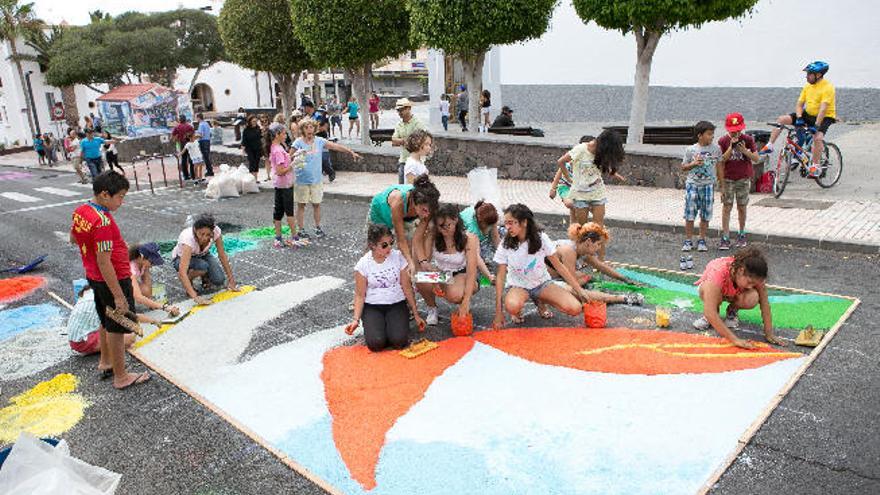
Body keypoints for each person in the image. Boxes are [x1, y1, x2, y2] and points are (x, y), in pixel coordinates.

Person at [69, 171, 150, 389]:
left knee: (106, 320)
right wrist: (118, 296)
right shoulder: (102, 222)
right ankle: (121, 376)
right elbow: (104, 261)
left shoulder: (82, 211)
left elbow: (73, 236)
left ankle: (106, 362)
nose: (121, 202)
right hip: (112, 278)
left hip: (94, 277)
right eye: (120, 197)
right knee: (117, 327)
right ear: (105, 194)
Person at [492, 204, 593, 328]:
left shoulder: (541, 238)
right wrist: (498, 312)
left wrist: (579, 290)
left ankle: (540, 301)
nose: (507, 227)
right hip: (518, 285)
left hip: (541, 283)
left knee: (575, 308)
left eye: (511, 223)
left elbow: (559, 266)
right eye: (506, 223)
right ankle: (517, 311)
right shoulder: (505, 244)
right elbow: (501, 277)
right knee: (512, 306)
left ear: (524, 222)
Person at [345, 224, 426, 351]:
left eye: (391, 243)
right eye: (384, 245)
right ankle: (379, 326)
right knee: (375, 343)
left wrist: (416, 314)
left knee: (399, 341)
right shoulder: (363, 264)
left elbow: (407, 287)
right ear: (372, 246)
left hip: (396, 303)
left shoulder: (398, 257)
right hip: (372, 306)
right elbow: (360, 294)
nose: (389, 247)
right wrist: (355, 319)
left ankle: (392, 326)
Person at [555, 129, 625, 259]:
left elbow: (603, 167)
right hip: (581, 196)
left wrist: (615, 174)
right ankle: (582, 258)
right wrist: (569, 179)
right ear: (605, 145)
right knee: (584, 230)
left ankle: (601, 260)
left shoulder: (600, 153)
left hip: (598, 193)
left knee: (599, 229)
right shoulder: (581, 149)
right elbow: (561, 162)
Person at [693, 248, 783, 349]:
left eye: (754, 284)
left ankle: (732, 309)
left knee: (752, 297)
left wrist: (769, 333)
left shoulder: (754, 276)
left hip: (734, 293)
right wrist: (735, 339)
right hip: (712, 290)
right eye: (749, 282)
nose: (750, 286)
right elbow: (709, 312)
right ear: (741, 270)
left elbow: (764, 303)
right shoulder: (717, 272)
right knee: (712, 307)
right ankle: (712, 315)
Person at [761, 61, 835, 179]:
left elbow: (823, 109)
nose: (806, 76)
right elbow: (799, 104)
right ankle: (770, 145)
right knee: (782, 119)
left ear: (819, 75)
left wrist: (816, 126)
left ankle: (815, 166)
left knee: (818, 138)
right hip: (808, 113)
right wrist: (800, 117)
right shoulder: (807, 86)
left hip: (825, 116)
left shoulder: (827, 87)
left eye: (809, 74)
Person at [292, 118, 362, 239]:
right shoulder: (298, 142)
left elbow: (335, 146)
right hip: (301, 179)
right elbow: (289, 157)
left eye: (311, 127)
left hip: (316, 180)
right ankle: (301, 229)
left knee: (317, 204)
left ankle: (318, 228)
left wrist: (350, 151)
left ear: (314, 128)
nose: (309, 129)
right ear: (302, 129)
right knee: (301, 205)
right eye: (306, 127)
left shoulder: (319, 141)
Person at [415, 204, 479, 326]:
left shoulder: (468, 238)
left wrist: (465, 302)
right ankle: (432, 308)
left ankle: (463, 299)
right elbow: (426, 263)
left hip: (461, 273)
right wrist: (433, 280)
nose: (444, 230)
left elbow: (472, 272)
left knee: (454, 295)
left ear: (456, 220)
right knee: (418, 277)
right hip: (443, 275)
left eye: (448, 225)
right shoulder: (433, 236)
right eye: (440, 226)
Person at [369, 175, 441, 274]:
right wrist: (410, 263)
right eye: (424, 210)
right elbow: (401, 240)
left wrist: (423, 261)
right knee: (378, 248)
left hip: (405, 217)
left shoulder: (428, 207)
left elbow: (418, 237)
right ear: (414, 202)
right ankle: (368, 274)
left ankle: (408, 278)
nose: (427, 215)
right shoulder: (398, 201)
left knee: (409, 249)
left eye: (429, 211)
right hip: (381, 212)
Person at [171, 213, 238, 306]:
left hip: (203, 254)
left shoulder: (216, 231)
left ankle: (204, 277)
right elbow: (182, 271)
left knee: (219, 280)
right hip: (180, 259)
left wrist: (231, 280)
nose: (204, 238)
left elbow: (222, 255)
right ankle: (189, 280)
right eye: (201, 234)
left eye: (208, 235)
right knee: (203, 266)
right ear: (195, 229)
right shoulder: (188, 239)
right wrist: (195, 297)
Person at [549, 222, 641, 288]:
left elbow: (601, 266)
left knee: (581, 275)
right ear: (588, 241)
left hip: (554, 274)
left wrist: (624, 279)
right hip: (543, 278)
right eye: (599, 244)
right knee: (580, 280)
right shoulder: (569, 251)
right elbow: (573, 284)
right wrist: (587, 278)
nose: (599, 248)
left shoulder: (581, 247)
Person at [718, 112, 759, 250]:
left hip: (743, 178)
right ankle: (725, 236)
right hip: (728, 178)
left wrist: (744, 151)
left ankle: (741, 234)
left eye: (738, 130)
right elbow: (721, 160)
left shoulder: (748, 139)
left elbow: (756, 158)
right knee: (726, 207)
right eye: (733, 131)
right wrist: (731, 147)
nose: (736, 133)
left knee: (742, 206)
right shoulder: (723, 141)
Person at [66, 286, 142, 357]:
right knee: (130, 338)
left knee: (123, 330)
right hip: (82, 341)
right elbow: (121, 320)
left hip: (80, 335)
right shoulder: (103, 298)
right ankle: (96, 351)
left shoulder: (94, 290)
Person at [681, 121, 722, 253]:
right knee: (690, 213)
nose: (712, 137)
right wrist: (693, 164)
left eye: (712, 134)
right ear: (700, 135)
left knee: (705, 214)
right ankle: (688, 240)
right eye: (709, 134)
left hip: (708, 186)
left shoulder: (716, 149)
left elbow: (719, 166)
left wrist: (722, 185)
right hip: (693, 185)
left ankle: (702, 239)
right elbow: (683, 167)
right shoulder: (691, 150)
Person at [268, 123, 306, 248]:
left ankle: (278, 238)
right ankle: (294, 237)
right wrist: (294, 164)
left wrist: (294, 156)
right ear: (277, 134)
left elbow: (283, 162)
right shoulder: (278, 150)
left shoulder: (275, 147)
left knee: (278, 212)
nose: (286, 135)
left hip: (279, 185)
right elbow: (280, 171)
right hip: (285, 184)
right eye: (284, 133)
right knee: (289, 211)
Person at [128, 243, 180, 317]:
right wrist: (164, 307)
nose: (153, 264)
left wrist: (152, 303)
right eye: (152, 262)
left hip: (125, 282)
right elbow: (138, 297)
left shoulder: (143, 263)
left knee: (146, 291)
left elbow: (148, 290)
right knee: (129, 310)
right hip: (115, 286)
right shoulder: (130, 269)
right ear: (142, 257)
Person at [550, 135, 591, 224]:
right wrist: (553, 188)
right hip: (565, 186)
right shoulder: (572, 157)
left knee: (575, 211)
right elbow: (559, 172)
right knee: (570, 204)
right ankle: (578, 228)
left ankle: (575, 231)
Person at [459, 200, 500, 283]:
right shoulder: (472, 229)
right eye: (488, 225)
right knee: (480, 262)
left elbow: (495, 237)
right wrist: (489, 276)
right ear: (480, 221)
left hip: (480, 235)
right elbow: (475, 255)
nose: (490, 227)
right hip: (462, 241)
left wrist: (505, 257)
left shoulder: (491, 217)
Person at [390, 98, 426, 184]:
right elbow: (393, 140)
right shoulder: (399, 125)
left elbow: (420, 140)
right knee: (402, 189)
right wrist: (406, 141)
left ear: (409, 108)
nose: (399, 112)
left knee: (416, 189)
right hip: (403, 161)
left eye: (401, 110)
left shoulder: (417, 123)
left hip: (417, 161)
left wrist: (401, 141)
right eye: (398, 110)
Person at [171, 115, 195, 181]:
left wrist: (177, 139)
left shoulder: (177, 127)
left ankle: (186, 176)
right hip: (190, 143)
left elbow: (173, 136)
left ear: (180, 120)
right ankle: (193, 175)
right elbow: (193, 134)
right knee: (191, 158)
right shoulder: (189, 126)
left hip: (182, 143)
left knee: (184, 159)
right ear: (185, 119)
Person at [241, 115, 263, 180]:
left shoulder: (258, 128)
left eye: (255, 121)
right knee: (252, 162)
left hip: (258, 148)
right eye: (253, 121)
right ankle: (251, 178)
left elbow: (261, 138)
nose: (254, 122)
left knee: (256, 163)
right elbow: (244, 140)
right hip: (249, 148)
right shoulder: (246, 129)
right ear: (250, 121)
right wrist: (243, 150)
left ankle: (255, 179)